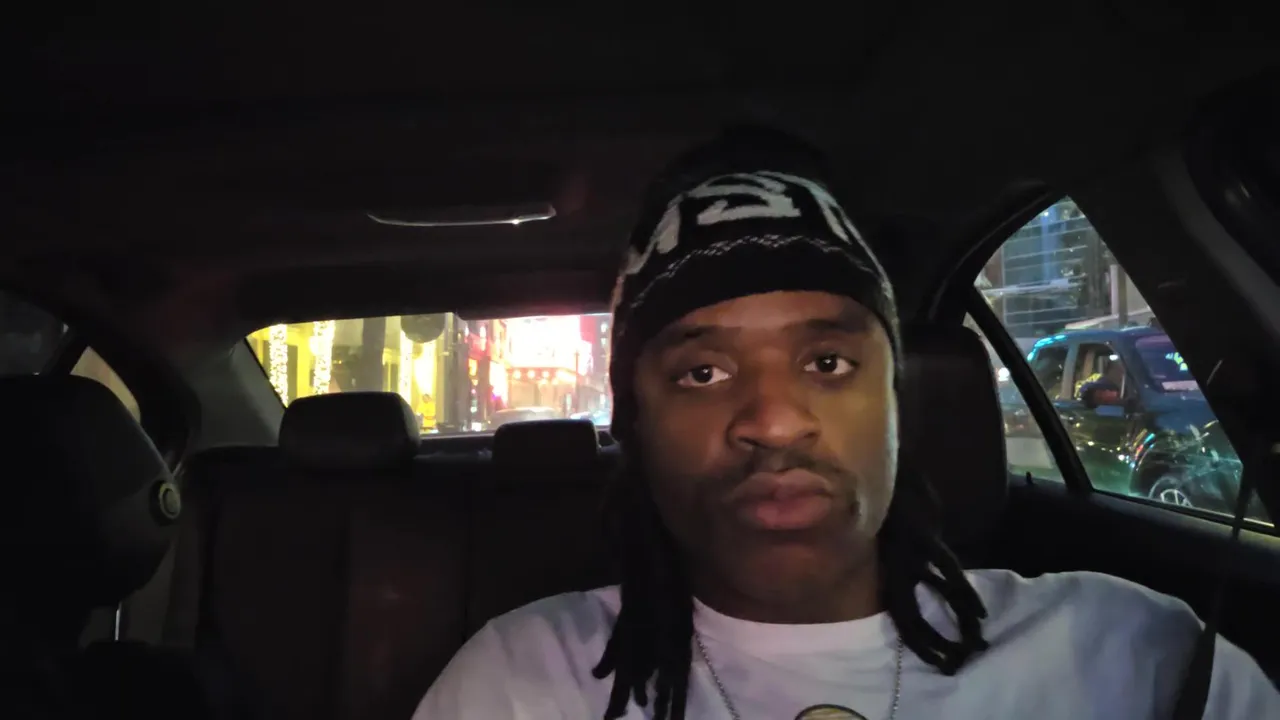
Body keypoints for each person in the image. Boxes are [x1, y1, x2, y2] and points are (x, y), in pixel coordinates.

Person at [413, 128, 1279, 719]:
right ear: (634, 424)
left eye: (827, 363)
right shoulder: (523, 685)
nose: (775, 422)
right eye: (703, 372)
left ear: (899, 401)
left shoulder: (1134, 659)